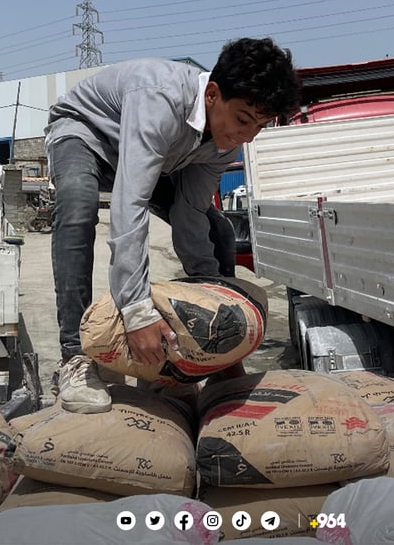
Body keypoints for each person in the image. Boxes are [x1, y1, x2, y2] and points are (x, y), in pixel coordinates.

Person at [45, 37, 299, 413]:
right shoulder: (159, 99)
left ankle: (203, 355)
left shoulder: (227, 139)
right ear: (212, 93)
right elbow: (129, 204)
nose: (246, 136)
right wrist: (136, 313)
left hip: (156, 153)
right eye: (243, 119)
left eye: (259, 126)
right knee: (78, 204)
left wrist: (214, 306)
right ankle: (74, 358)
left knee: (218, 232)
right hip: (86, 134)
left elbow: (189, 214)